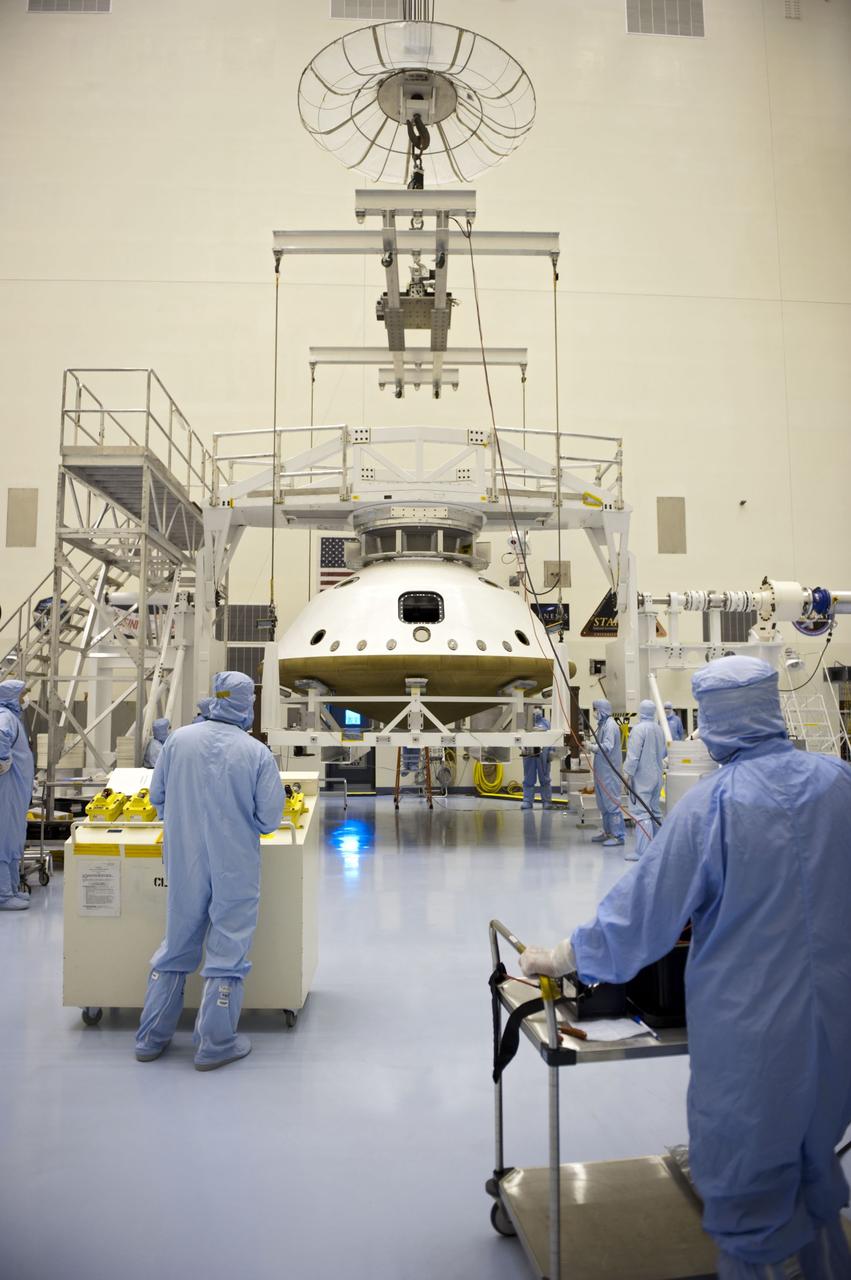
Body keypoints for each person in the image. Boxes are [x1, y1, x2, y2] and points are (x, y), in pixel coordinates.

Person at [520, 657, 851, 1279]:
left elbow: (637, 921)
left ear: (717, 722)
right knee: (816, 1170)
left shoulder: (713, 808)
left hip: (754, 1035)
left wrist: (562, 957)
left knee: (750, 1194)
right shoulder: (838, 782)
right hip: (837, 1020)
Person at [135, 672, 284, 1071]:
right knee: (228, 946)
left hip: (183, 857)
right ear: (247, 704)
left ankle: (151, 1038)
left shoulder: (178, 741)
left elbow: (158, 797)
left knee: (177, 941)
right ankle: (215, 1043)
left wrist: (185, 820)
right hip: (234, 862)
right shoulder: (255, 753)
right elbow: (270, 820)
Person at [0, 680, 34, 912]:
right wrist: (3, 760)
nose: (25, 698)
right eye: (23, 694)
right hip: (7, 789)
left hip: (15, 789)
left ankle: (11, 889)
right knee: (3, 840)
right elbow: (1, 735)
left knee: (12, 840)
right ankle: (3, 895)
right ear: (12, 695)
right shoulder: (5, 716)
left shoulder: (13, 718)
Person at [623, 699, 667, 862]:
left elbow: (633, 756)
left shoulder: (639, 730)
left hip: (642, 777)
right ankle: (657, 849)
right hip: (657, 775)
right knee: (655, 811)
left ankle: (643, 852)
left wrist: (627, 774)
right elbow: (662, 753)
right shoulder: (659, 729)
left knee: (641, 813)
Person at [590, 698, 625, 847]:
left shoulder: (610, 725)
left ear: (601, 710)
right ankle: (608, 832)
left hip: (609, 773)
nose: (594, 713)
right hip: (602, 772)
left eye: (595, 709)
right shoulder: (603, 724)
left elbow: (608, 747)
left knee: (612, 804)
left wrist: (591, 747)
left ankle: (618, 836)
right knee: (603, 805)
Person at [521, 710, 554, 811]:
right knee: (528, 778)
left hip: (543, 755)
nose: (535, 711)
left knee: (545, 778)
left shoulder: (546, 723)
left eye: (537, 707)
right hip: (529, 754)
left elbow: (552, 738)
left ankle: (547, 801)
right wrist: (521, 747)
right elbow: (520, 737)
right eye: (533, 708)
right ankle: (527, 801)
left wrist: (551, 751)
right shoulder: (525, 724)